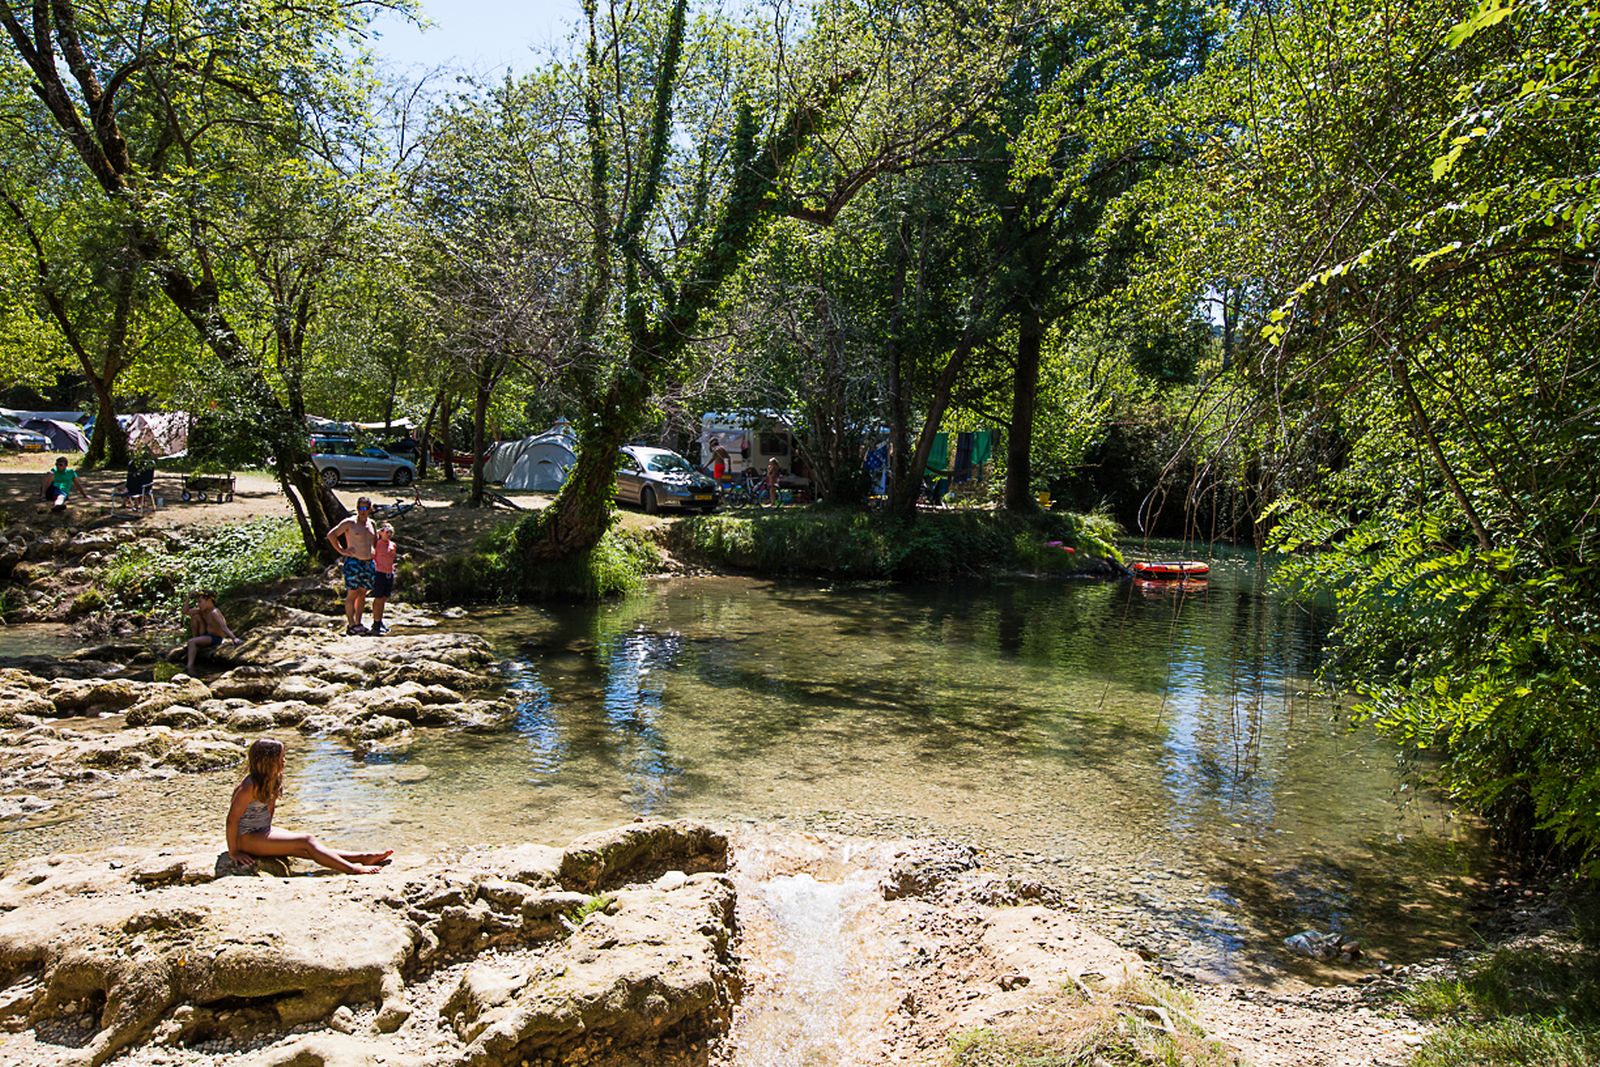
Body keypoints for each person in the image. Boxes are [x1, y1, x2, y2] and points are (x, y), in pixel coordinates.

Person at [226, 738, 392, 875]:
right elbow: (232, 820)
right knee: (306, 840)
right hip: (246, 838)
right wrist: (234, 852)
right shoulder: (249, 786)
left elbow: (270, 810)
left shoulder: (273, 778)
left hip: (261, 830)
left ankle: (362, 857)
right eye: (281, 757)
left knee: (306, 848)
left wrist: (270, 835)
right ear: (267, 761)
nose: (284, 761)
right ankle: (353, 869)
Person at [326, 496, 377, 635]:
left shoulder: (372, 523)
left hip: (368, 563)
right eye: (360, 508)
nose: (363, 511)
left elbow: (375, 540)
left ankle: (359, 623)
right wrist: (342, 550)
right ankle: (351, 624)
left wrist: (374, 551)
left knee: (362, 593)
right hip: (354, 562)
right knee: (352, 594)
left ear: (370, 509)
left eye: (365, 508)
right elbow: (331, 535)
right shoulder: (350, 522)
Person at [170, 590, 239, 673]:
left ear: (209, 600)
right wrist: (188, 597)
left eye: (200, 602)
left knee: (191, 642)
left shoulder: (214, 612)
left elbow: (224, 627)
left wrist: (234, 638)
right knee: (195, 617)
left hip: (215, 638)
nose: (198, 605)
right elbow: (185, 612)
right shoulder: (202, 611)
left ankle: (190, 666)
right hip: (206, 635)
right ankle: (196, 641)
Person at [369, 523, 398, 636]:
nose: (389, 534)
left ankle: (379, 620)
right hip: (379, 573)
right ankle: (376, 623)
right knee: (378, 598)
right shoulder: (376, 543)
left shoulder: (393, 545)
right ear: (381, 532)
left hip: (389, 573)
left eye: (391, 532)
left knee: (384, 598)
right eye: (387, 532)